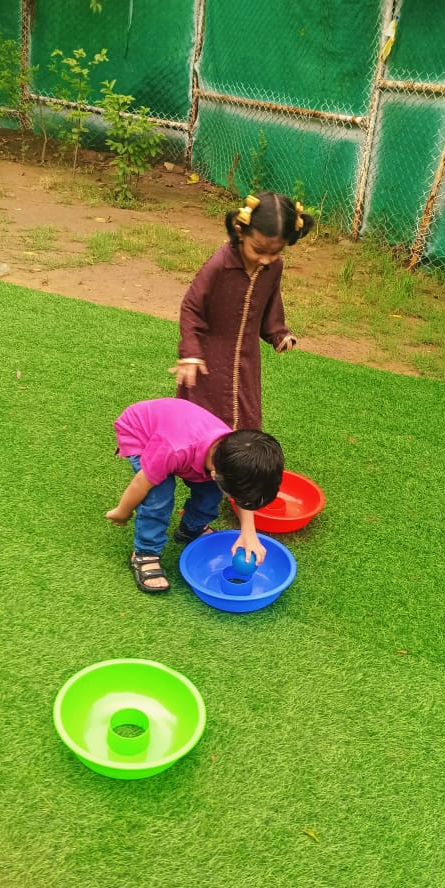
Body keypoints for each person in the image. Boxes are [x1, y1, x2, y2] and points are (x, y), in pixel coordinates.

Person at [105, 397, 284, 594]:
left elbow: (242, 491)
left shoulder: (233, 454)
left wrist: (249, 532)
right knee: (159, 495)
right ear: (215, 475)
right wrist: (122, 512)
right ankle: (145, 552)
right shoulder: (174, 449)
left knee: (210, 491)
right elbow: (141, 483)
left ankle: (191, 528)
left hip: (179, 432)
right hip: (142, 431)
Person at [171, 191, 315, 430]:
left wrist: (278, 332)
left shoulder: (273, 268)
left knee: (245, 411)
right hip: (208, 357)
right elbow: (191, 307)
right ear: (240, 231)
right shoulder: (220, 265)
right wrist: (190, 352)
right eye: (258, 250)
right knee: (204, 416)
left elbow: (271, 299)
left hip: (247, 358)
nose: (266, 259)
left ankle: (240, 453)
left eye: (275, 252)